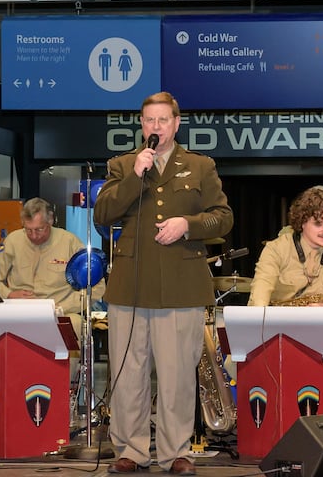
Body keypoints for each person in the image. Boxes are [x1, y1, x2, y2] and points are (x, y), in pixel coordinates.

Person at [94, 91, 232, 476]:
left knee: (176, 377)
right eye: (149, 121)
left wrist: (188, 225)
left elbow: (223, 217)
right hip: (130, 287)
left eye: (163, 120)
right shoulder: (123, 165)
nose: (156, 127)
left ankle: (176, 453)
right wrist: (134, 174)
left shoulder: (200, 165)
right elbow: (102, 215)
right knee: (128, 375)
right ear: (142, 125)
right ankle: (131, 451)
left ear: (176, 122)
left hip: (181, 285)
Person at [0, 197, 104, 334]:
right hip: (19, 312)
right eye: (28, 230)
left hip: (59, 313)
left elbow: (97, 285)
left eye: (39, 229)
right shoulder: (12, 241)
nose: (34, 236)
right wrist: (9, 294)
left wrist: (64, 307)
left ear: (50, 220)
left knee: (76, 324)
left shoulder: (70, 242)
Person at [250, 186, 323, 319]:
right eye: (318, 224)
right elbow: (259, 295)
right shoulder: (276, 249)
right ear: (302, 222)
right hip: (282, 326)